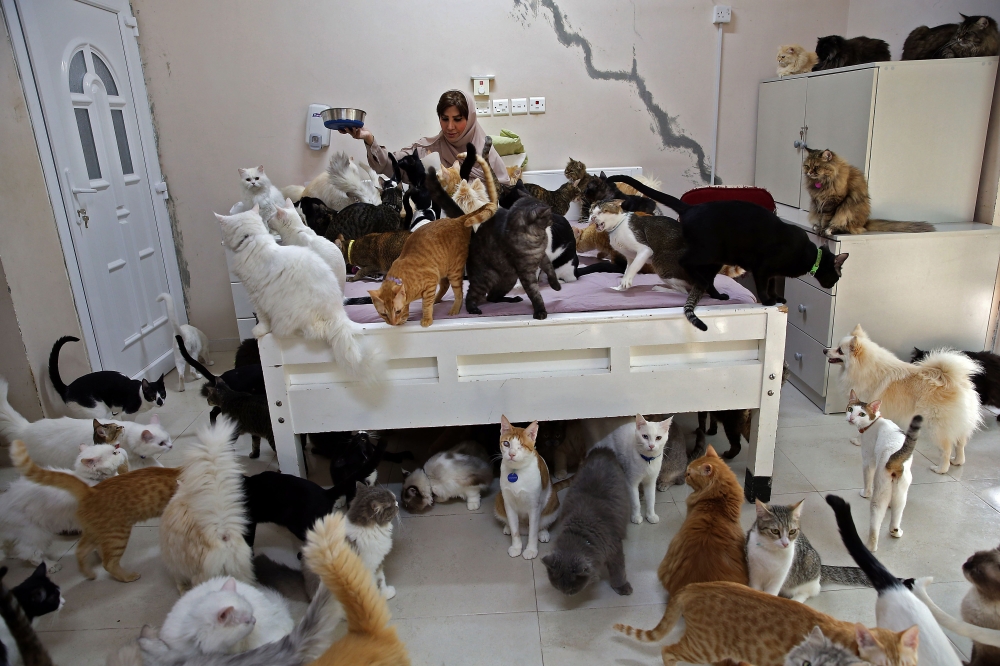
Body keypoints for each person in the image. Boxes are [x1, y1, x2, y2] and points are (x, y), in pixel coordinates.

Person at [341, 90, 510, 186]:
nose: (450, 127)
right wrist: (369, 140)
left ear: (470, 119)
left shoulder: (486, 153)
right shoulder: (429, 149)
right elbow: (388, 164)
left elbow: (503, 189)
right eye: (445, 119)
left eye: (457, 119)